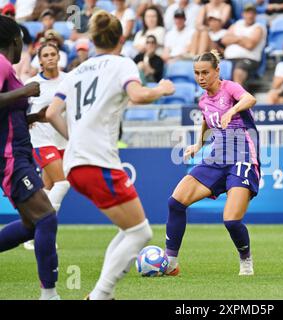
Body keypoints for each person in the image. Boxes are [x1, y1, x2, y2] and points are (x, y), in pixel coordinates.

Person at [46, 10, 175, 300]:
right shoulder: (122, 64)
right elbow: (138, 95)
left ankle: (103, 294)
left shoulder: (77, 70)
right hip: (98, 161)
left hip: (74, 163)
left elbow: (52, 112)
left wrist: (75, 137)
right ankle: (101, 295)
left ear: (93, 39)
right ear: (121, 37)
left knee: (130, 230)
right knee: (140, 233)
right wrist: (162, 89)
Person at [164, 50, 259, 277]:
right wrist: (198, 145)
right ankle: (170, 263)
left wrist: (233, 110)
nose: (201, 77)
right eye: (197, 73)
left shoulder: (230, 88)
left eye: (205, 72)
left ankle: (245, 260)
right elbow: (207, 121)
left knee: (231, 220)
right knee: (175, 202)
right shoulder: (204, 100)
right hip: (215, 158)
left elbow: (250, 99)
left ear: (217, 71)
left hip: (242, 157)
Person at [0, 15, 60, 300]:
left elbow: (7, 111)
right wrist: (25, 91)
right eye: (21, 43)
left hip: (16, 154)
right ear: (14, 41)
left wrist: (34, 116)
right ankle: (49, 295)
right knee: (46, 218)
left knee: (31, 225)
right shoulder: (0, 63)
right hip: (12, 157)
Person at [23, 42, 71, 251]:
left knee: (47, 190)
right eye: (46, 55)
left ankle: (30, 234)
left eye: (53, 54)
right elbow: (19, 111)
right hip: (41, 142)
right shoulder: (31, 84)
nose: (50, 57)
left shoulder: (69, 80)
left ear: (59, 57)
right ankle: (44, 231)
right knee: (63, 184)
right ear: (40, 60)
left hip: (63, 141)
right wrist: (29, 118)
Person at [222, 4, 266, 86]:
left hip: (249, 59)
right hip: (229, 59)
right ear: (243, 14)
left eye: (252, 13)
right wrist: (241, 38)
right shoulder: (237, 24)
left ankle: (238, 97)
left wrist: (234, 39)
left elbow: (250, 45)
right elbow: (224, 40)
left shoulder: (259, 27)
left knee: (238, 72)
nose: (250, 15)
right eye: (248, 13)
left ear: (255, 15)